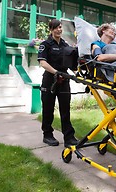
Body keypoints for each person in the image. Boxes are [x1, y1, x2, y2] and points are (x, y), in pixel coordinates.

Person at [38, 19, 78, 147]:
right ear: (51, 30)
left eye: (60, 27)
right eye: (56, 28)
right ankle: (47, 135)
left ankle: (69, 137)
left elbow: (71, 62)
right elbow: (43, 62)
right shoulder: (45, 44)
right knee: (48, 108)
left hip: (64, 80)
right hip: (50, 80)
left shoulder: (65, 45)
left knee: (65, 109)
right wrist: (56, 72)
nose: (59, 30)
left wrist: (76, 72)